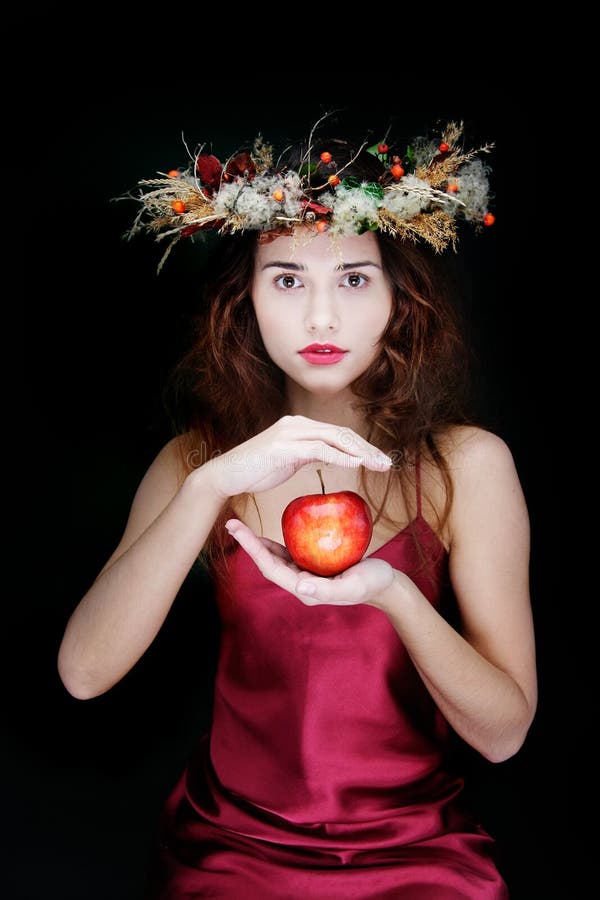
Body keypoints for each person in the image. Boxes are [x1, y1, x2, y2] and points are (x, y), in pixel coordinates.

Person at [57, 118, 537, 899]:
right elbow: (82, 674)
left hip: (418, 853)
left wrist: (393, 592)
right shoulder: (197, 462)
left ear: (397, 296)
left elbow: (505, 735)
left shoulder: (467, 466)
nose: (321, 319)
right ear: (245, 298)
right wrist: (208, 486)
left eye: (353, 278)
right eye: (286, 280)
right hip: (231, 851)